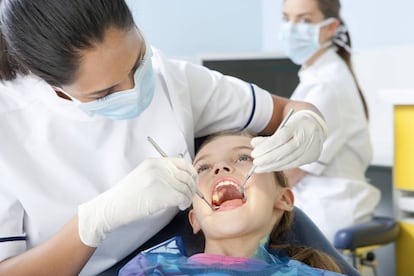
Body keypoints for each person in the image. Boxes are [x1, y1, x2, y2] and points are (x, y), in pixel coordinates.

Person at [0, 1, 328, 275]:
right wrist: (92, 223)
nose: (134, 89)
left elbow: (286, 109)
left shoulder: (171, 78)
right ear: (50, 84)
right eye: (106, 92)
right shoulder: (10, 127)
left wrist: (307, 120)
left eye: (137, 61)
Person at [119, 132, 344, 275]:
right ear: (194, 218)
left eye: (244, 158)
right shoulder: (150, 269)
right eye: (203, 168)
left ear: (283, 199)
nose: (220, 168)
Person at [278, 0, 381, 242]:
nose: (291, 28)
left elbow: (289, 172)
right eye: (286, 18)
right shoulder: (317, 77)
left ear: (330, 27)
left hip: (327, 210)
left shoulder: (327, 86)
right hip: (315, 203)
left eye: (304, 20)